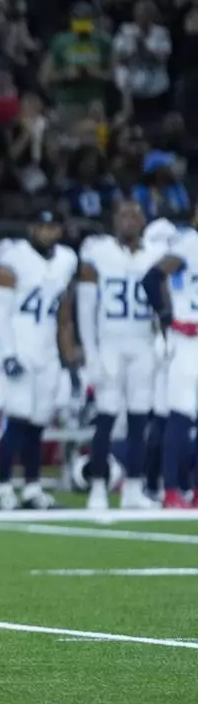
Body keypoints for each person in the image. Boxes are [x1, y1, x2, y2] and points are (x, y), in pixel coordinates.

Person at [0, 210, 79, 511]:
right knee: (17, 417)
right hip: (19, 345)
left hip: (47, 350)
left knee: (39, 421)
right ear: (32, 228)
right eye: (41, 226)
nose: (46, 232)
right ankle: (3, 488)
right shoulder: (13, 256)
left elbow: (64, 309)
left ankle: (32, 487)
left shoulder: (67, 259)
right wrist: (7, 353)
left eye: (52, 226)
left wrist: (68, 352)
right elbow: (0, 312)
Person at [75, 201, 161, 510]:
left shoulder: (155, 254)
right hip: (109, 343)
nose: (128, 221)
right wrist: (91, 353)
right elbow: (85, 308)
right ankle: (98, 487)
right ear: (114, 220)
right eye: (123, 215)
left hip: (142, 343)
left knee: (140, 419)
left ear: (143, 220)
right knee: (107, 417)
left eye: (135, 215)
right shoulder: (97, 252)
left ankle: (133, 488)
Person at [142, 216, 198, 508]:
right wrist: (166, 314)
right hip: (187, 337)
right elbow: (152, 277)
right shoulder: (188, 242)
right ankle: (172, 489)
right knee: (180, 414)